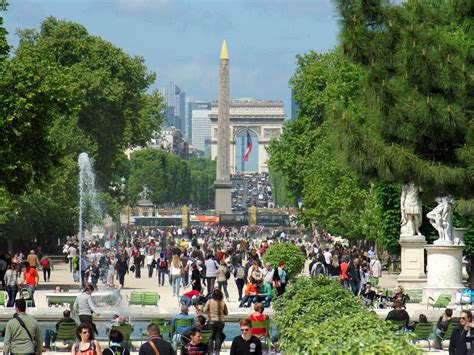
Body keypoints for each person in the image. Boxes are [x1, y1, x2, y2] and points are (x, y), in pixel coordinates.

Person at [203, 288, 228, 354]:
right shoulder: (223, 302)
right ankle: (217, 352)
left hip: (211, 321)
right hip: (221, 322)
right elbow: (226, 313)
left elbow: (204, 310)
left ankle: (210, 352)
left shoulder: (209, 301)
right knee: (218, 337)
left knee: (210, 337)